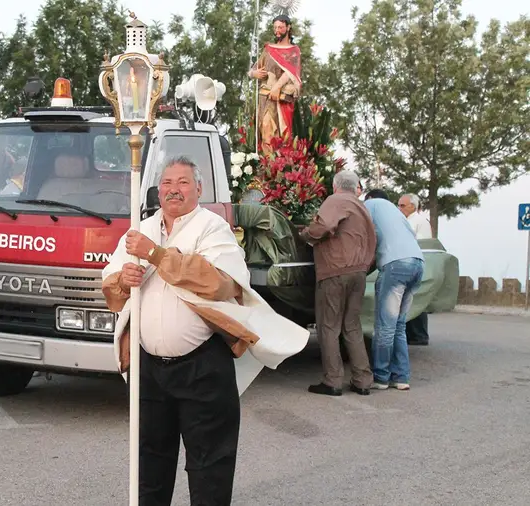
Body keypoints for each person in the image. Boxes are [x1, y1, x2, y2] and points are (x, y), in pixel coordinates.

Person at [102, 156, 307, 505]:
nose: (173, 190)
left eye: (183, 182)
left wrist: (154, 254)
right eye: (167, 183)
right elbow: (111, 289)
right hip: (148, 367)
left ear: (199, 188)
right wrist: (124, 279)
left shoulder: (212, 228)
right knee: (149, 461)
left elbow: (220, 283)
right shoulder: (142, 228)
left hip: (203, 367)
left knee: (209, 465)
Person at [300, 170, 376, 396]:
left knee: (329, 326)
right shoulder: (362, 206)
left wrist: (305, 234)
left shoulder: (336, 201)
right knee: (352, 326)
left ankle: (333, 380)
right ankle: (363, 380)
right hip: (359, 271)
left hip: (335, 270)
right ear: (356, 187)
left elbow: (323, 227)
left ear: (335, 186)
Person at [364, 189, 425, 391]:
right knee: (399, 325)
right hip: (417, 264)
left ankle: (381, 377)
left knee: (385, 326)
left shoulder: (370, 205)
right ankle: (401, 377)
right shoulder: (397, 213)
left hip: (397, 265)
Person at [248, 14, 301, 153]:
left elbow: (291, 72)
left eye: (281, 27)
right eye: (275, 27)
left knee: (282, 134)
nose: (277, 30)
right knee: (266, 128)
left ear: (288, 28)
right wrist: (254, 74)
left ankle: (279, 165)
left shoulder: (294, 51)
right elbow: (253, 69)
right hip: (266, 97)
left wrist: (277, 88)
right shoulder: (269, 49)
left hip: (282, 98)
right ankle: (267, 165)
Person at [398, 193, 432, 346]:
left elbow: (422, 243)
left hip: (414, 262)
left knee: (415, 300)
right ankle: (411, 333)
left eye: (402, 205)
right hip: (406, 262)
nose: (399, 208)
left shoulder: (419, 221)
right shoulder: (405, 221)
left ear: (413, 206)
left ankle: (419, 335)